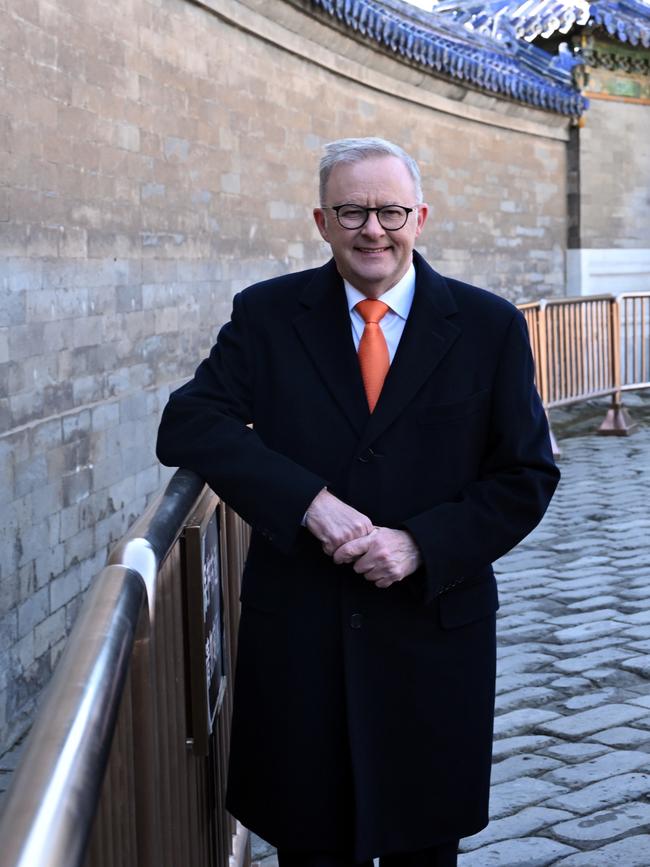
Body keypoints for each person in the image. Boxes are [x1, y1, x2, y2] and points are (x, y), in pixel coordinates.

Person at [156, 137, 559, 867]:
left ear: (421, 216)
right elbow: (189, 421)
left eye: (390, 210)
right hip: (302, 634)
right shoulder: (269, 314)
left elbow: (526, 474)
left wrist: (419, 544)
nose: (373, 228)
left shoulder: (488, 326)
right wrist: (307, 501)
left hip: (432, 632)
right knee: (309, 843)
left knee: (425, 843)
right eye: (352, 211)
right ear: (321, 220)